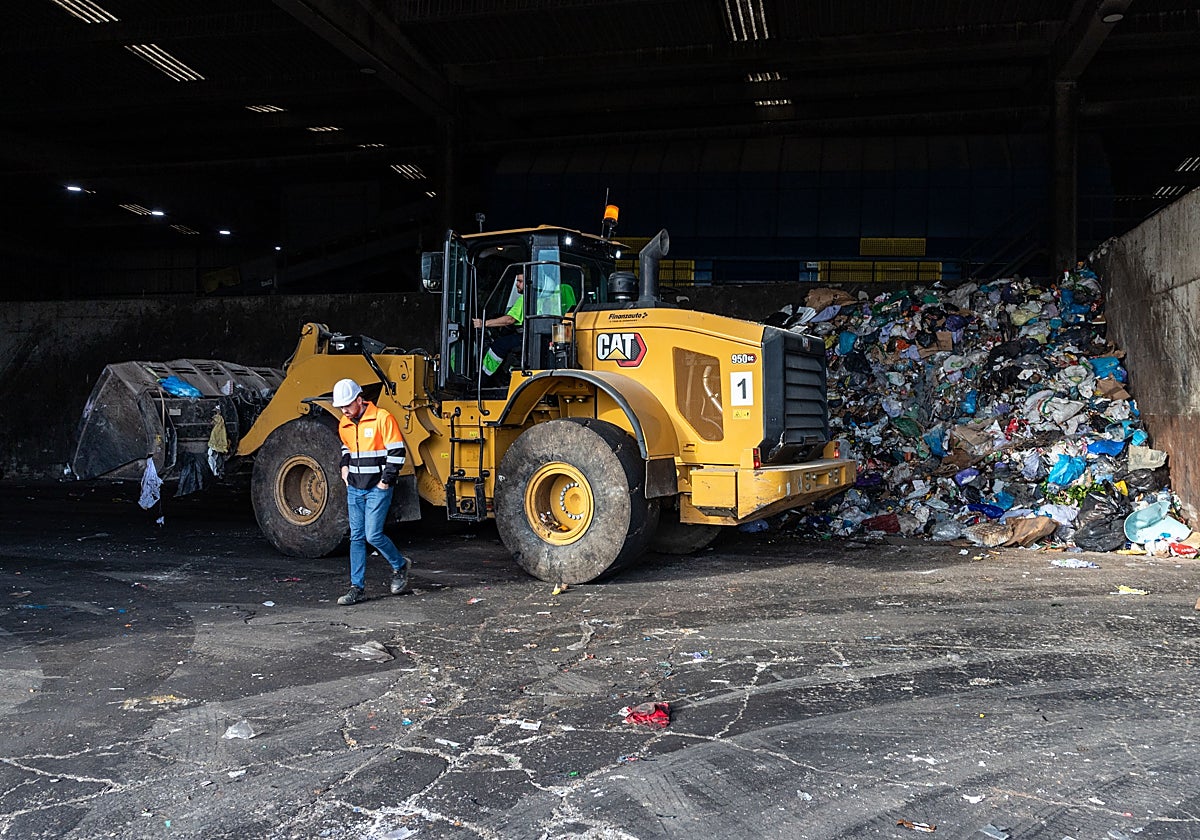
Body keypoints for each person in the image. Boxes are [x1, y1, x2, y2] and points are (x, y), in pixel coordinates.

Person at [330, 378, 411, 605]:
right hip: (354, 487)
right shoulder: (344, 423)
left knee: (372, 535)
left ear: (359, 399)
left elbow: (397, 451)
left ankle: (400, 565)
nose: (344, 410)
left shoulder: (383, 418)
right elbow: (346, 447)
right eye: (341, 407)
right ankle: (357, 588)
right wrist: (344, 467)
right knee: (356, 537)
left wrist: (385, 482)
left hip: (377, 487)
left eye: (347, 405)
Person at [472, 270, 577, 379]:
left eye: (520, 281)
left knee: (499, 345)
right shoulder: (564, 290)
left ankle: (482, 378)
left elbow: (510, 320)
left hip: (533, 338)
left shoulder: (528, 297)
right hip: (560, 337)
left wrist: (483, 323)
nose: (517, 284)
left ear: (531, 282)